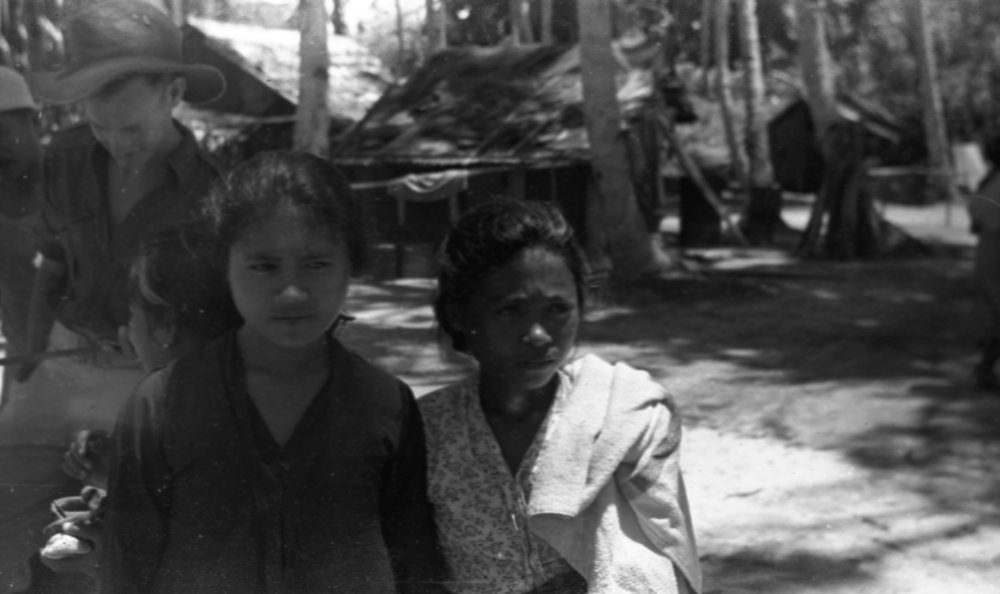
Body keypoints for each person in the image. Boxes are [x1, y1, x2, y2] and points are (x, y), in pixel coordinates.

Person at [101, 150, 442, 593]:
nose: (292, 292)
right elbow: (127, 568)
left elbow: (414, 565)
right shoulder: (161, 403)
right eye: (263, 266)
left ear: (351, 266)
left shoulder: (385, 403)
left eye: (317, 263)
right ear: (225, 267)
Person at [419, 199, 702, 593]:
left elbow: (663, 546)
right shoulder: (427, 429)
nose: (538, 334)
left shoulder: (623, 414)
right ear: (459, 314)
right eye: (510, 310)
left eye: (557, 309)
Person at [4, 0, 226, 446]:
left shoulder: (213, 190)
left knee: (110, 507)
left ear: (174, 94)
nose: (116, 144)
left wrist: (164, 351)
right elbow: (52, 262)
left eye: (131, 129)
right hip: (58, 355)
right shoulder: (66, 156)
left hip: (144, 377)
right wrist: (29, 356)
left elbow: (217, 316)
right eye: (101, 127)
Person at [28, 222, 242, 592]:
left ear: (168, 328)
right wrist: (111, 476)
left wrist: (103, 551)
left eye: (131, 316)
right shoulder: (201, 393)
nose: (126, 331)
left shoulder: (181, 408)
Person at [0, 66, 43, 402]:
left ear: (36, 123)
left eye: (2, 132)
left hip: (96, 363)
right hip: (24, 368)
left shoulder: (77, 185)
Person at [968, 135, 1000, 391]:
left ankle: (985, 368)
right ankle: (984, 368)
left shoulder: (986, 183)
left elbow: (974, 224)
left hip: (988, 250)